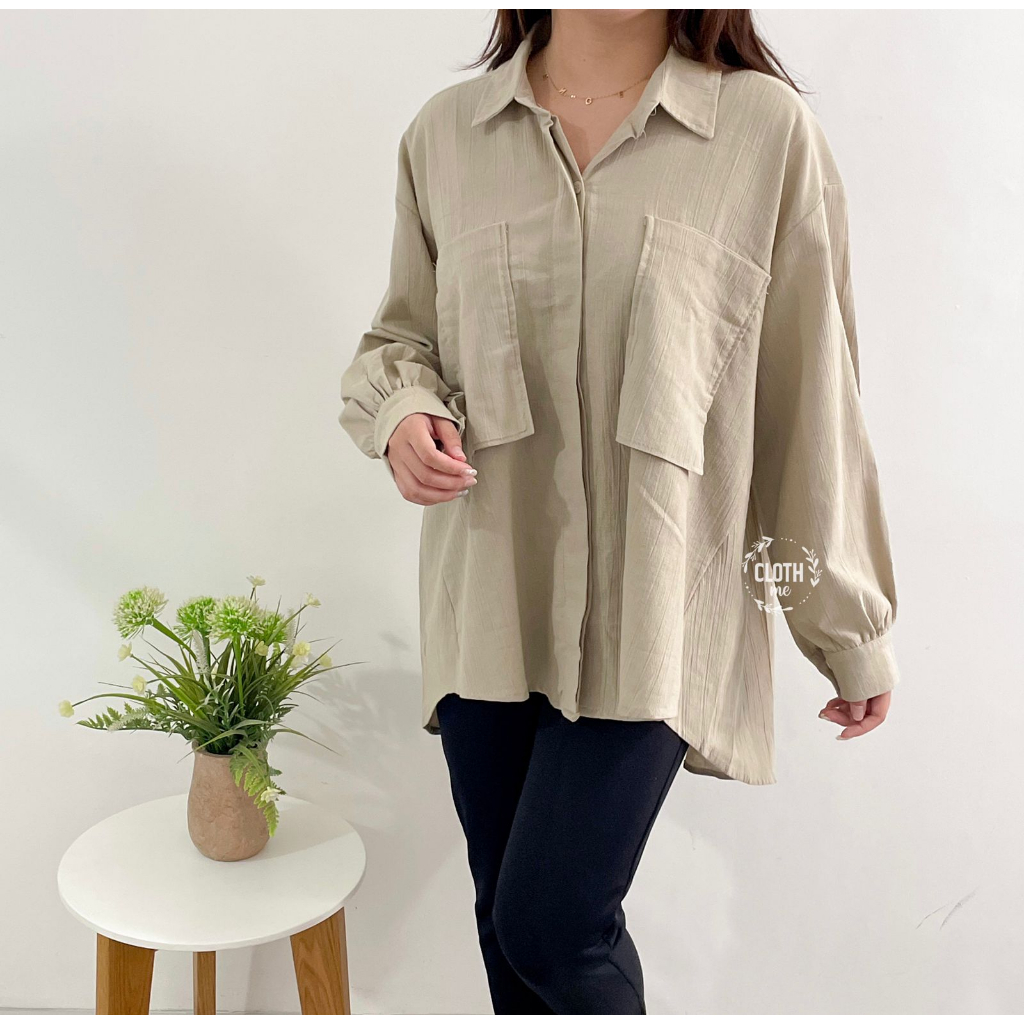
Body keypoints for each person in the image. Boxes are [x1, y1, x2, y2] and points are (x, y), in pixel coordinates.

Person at [339, 9, 899, 1015]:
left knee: (553, 926)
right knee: (506, 926)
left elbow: (809, 399)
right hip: (489, 599)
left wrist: (846, 630)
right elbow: (399, 339)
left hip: (660, 611)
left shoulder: (763, 134)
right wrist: (402, 413)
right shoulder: (446, 136)